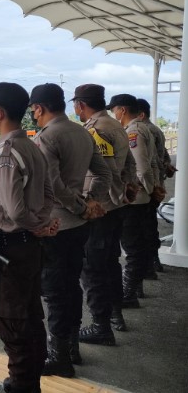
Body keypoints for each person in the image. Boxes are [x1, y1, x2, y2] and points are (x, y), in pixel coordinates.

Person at [0, 82, 57, 393]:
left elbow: (12, 210)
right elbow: (49, 193)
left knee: (13, 323)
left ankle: (23, 385)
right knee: (31, 316)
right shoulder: (32, 147)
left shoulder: (8, 152)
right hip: (28, 247)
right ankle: (28, 381)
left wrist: (33, 225)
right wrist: (41, 222)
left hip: (12, 247)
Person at [29, 83, 111, 377]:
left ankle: (59, 356)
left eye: (33, 110)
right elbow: (103, 173)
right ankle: (72, 347)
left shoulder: (48, 137)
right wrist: (91, 202)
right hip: (79, 226)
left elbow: (51, 185)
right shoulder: (82, 132)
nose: (33, 116)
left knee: (54, 291)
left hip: (56, 227)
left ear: (39, 108)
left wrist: (79, 205)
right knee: (72, 286)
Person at [71, 84, 137, 339]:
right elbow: (129, 164)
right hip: (116, 207)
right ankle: (115, 313)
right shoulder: (117, 126)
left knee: (94, 268)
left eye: (75, 105)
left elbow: (103, 173)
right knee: (110, 264)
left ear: (81, 105)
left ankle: (101, 327)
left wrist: (92, 203)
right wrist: (129, 187)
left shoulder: (96, 130)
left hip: (103, 211)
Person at [106, 94, 156, 309]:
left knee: (132, 247)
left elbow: (142, 167)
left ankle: (128, 294)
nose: (113, 114)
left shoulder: (133, 131)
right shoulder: (144, 128)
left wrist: (149, 189)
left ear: (123, 110)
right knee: (138, 244)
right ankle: (134, 289)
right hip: (142, 196)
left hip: (135, 199)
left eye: (114, 110)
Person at [136, 98, 169, 275]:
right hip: (156, 184)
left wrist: (151, 188)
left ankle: (149, 266)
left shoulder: (143, 130)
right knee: (150, 225)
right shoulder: (156, 130)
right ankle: (152, 262)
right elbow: (164, 158)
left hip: (148, 187)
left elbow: (145, 165)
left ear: (141, 114)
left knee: (142, 230)